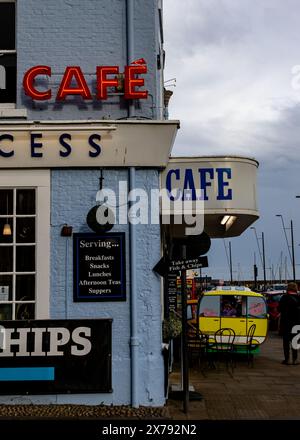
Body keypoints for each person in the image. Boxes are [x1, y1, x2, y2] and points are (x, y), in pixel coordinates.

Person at [278, 282, 300, 365]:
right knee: (295, 341)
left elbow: (279, 309)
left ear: (288, 288)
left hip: (286, 322)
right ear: (295, 288)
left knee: (286, 342)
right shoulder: (299, 298)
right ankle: (295, 359)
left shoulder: (284, 297)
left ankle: (287, 359)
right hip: (297, 323)